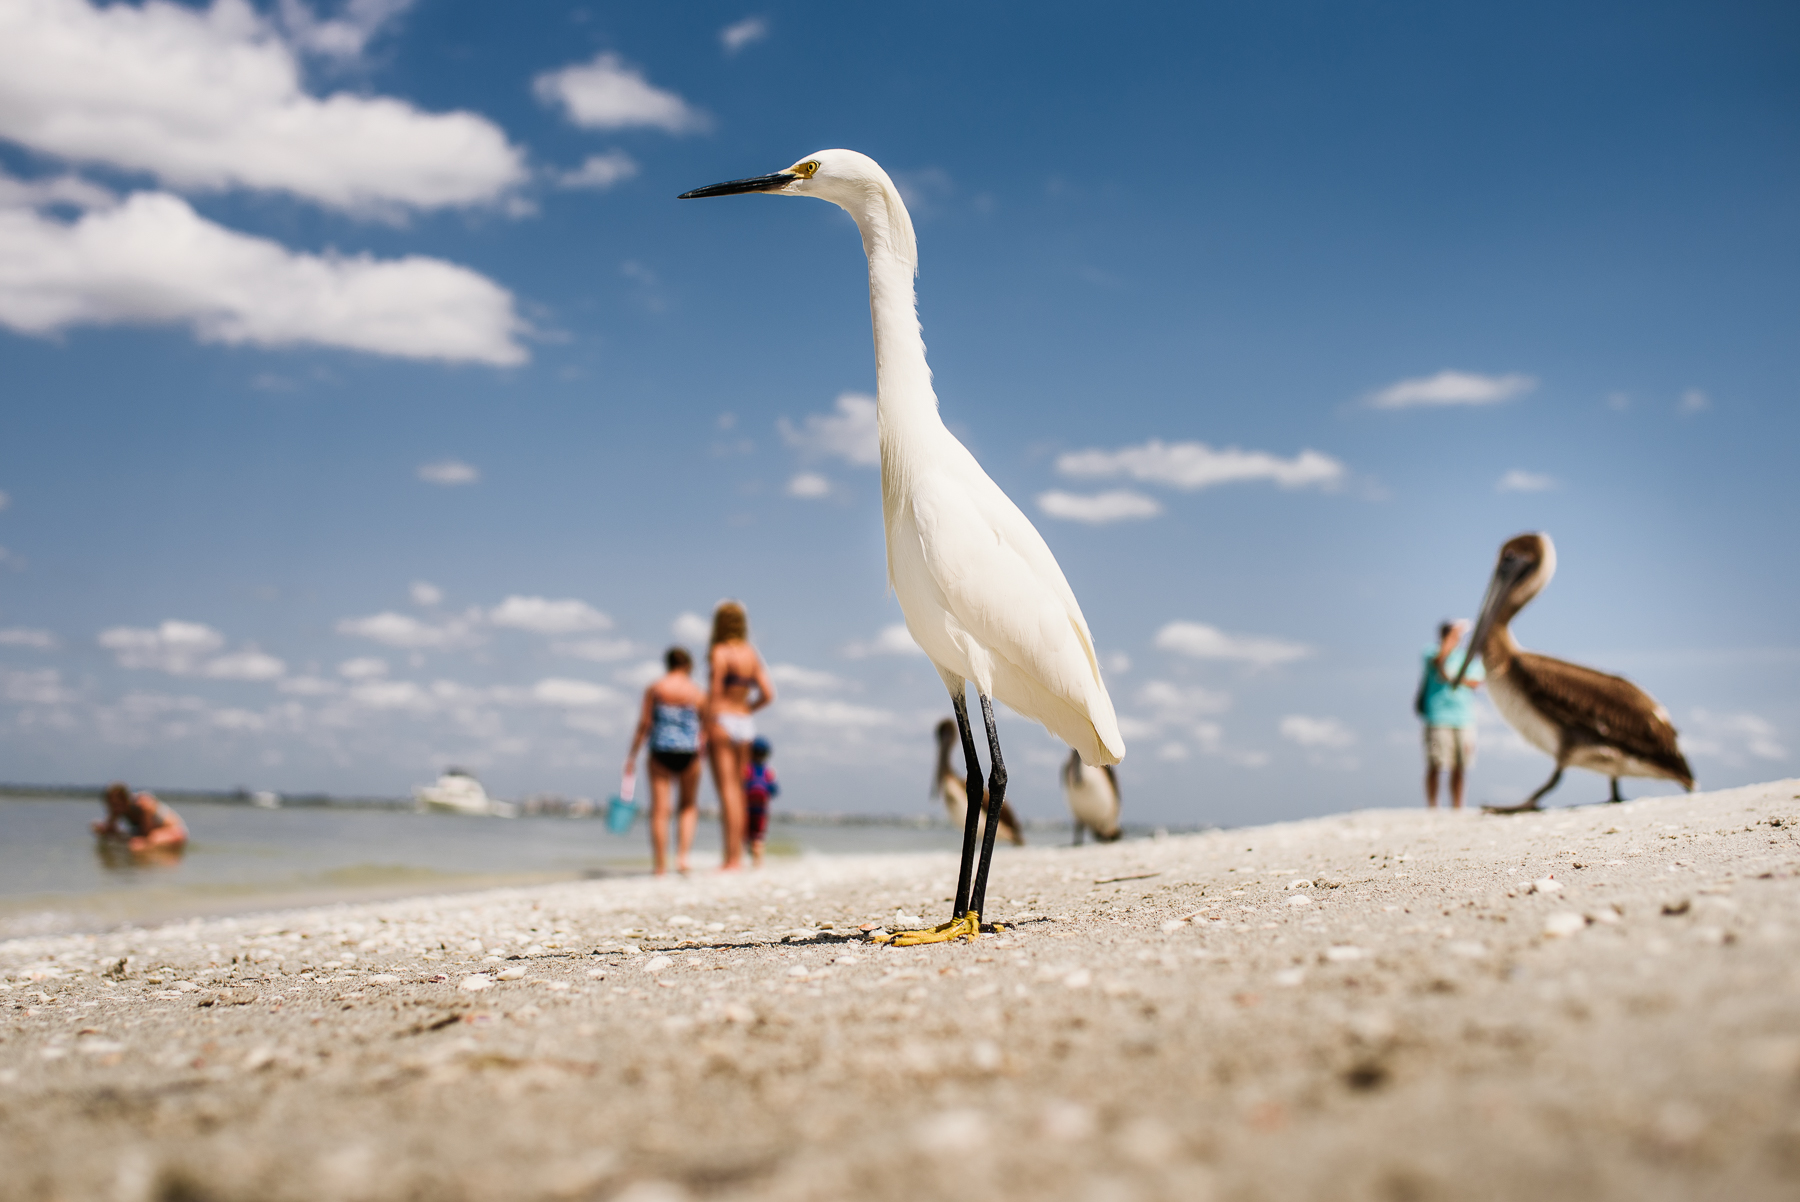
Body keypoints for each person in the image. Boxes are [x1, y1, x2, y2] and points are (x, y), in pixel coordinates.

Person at [625, 647, 708, 875]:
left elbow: (644, 724)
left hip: (660, 750)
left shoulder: (655, 688)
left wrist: (632, 755)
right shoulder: (697, 692)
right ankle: (682, 857)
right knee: (688, 805)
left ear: (668, 664)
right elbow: (706, 727)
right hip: (689, 753)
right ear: (688, 665)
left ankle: (660, 865)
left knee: (660, 810)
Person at [706, 600, 775, 870]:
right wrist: (747, 708)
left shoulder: (720, 651)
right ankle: (737, 856)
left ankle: (730, 858)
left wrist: (704, 726)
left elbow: (714, 692)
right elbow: (768, 694)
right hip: (744, 723)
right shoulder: (751, 654)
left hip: (722, 719)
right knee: (739, 791)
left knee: (727, 793)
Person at [1418, 619, 1485, 809]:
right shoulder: (1431, 651)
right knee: (1436, 764)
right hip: (1437, 717)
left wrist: (1454, 679)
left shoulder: (1467, 657)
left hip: (1464, 718)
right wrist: (1452, 636)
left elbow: (1478, 681)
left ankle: (1457, 807)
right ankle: (1432, 807)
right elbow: (1439, 661)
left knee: (1461, 766)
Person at [92, 782, 187, 853]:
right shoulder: (117, 809)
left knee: (136, 845)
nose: (114, 807)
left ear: (125, 799)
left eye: (116, 803)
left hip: (174, 832)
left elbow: (146, 834)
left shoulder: (143, 803)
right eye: (111, 804)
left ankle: (144, 875)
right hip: (153, 833)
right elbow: (109, 832)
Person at [743, 737, 779, 868]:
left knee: (745, 835)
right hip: (761, 810)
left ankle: (745, 859)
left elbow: (741, 787)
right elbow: (774, 791)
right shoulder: (768, 772)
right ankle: (758, 862)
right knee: (758, 836)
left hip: (746, 809)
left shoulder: (747, 769)